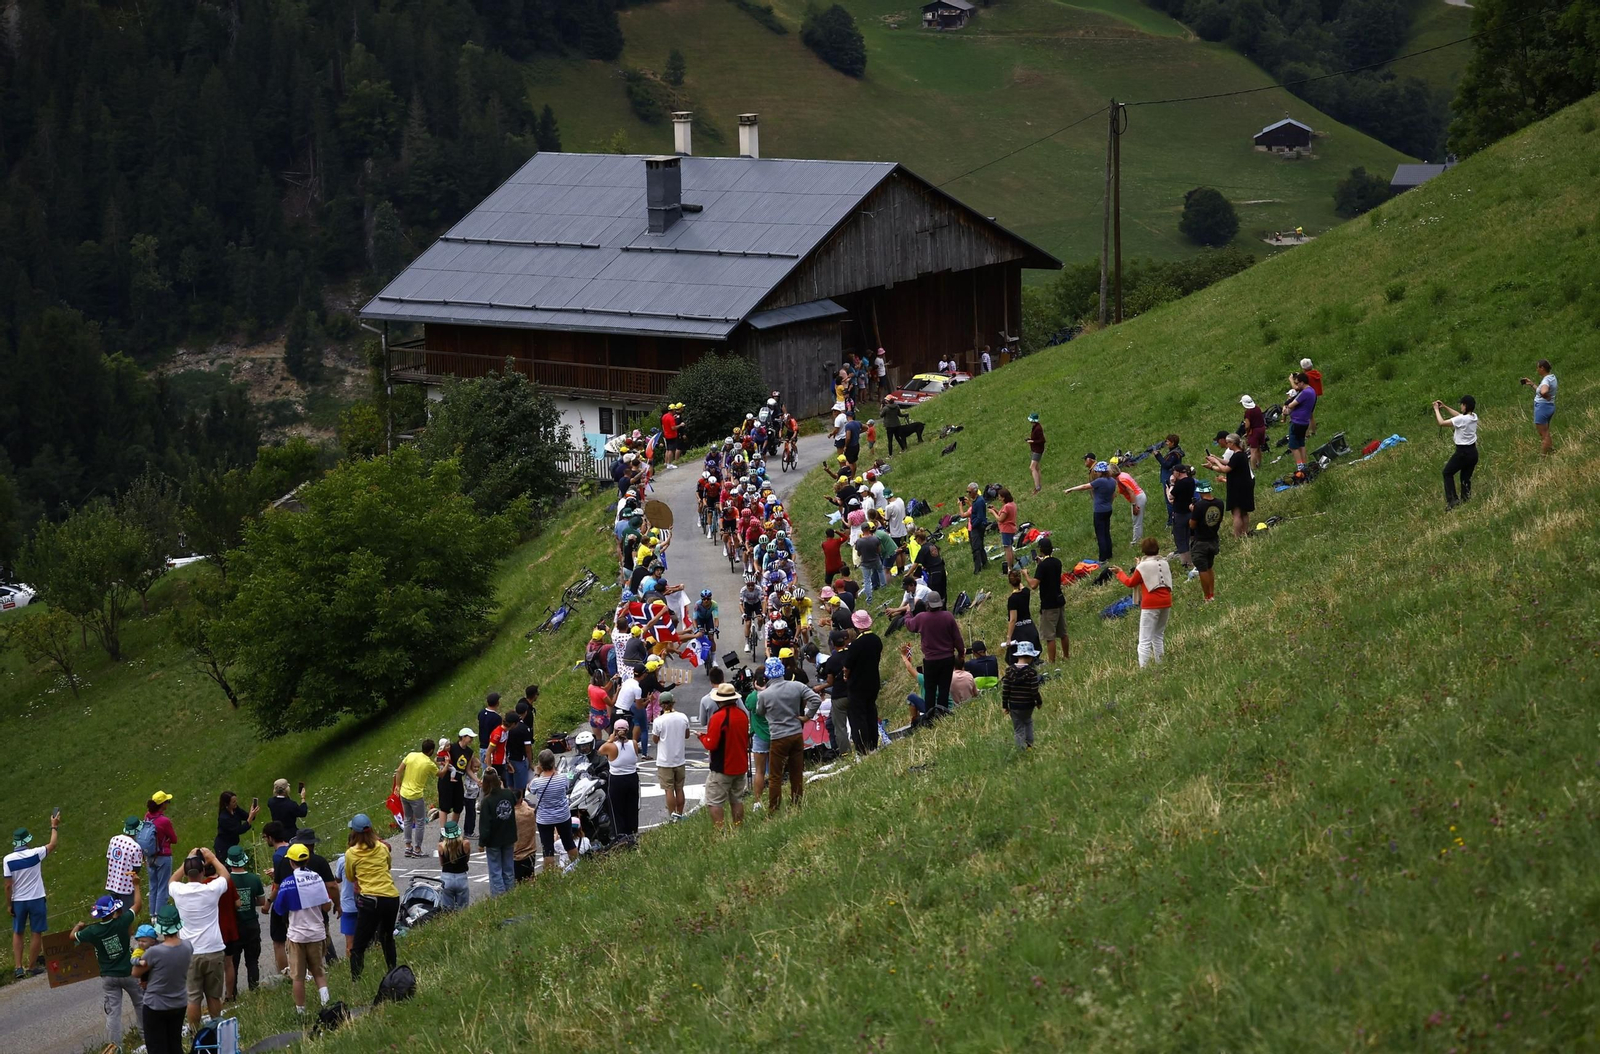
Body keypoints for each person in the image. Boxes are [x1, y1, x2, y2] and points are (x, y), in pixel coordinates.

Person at [73, 887, 143, 1051]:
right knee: (140, 1003)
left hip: (108, 977)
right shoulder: (122, 921)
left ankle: (116, 1046)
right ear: (114, 911)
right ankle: (145, 1035)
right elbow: (138, 905)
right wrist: (137, 885)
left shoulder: (93, 931)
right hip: (128, 972)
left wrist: (78, 925)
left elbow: (72, 937)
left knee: (114, 1013)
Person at [167, 847, 227, 1032]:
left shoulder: (179, 891)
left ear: (186, 874)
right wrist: (212, 858)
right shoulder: (211, 890)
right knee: (213, 996)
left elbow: (171, 880)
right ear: (202, 872)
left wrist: (187, 858)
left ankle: (194, 1032)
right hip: (213, 949)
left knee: (193, 997)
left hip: (189, 952)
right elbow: (225, 875)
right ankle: (216, 1030)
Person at [270, 843, 334, 1015]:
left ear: (291, 862)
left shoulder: (288, 883)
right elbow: (327, 906)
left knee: (297, 976)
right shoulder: (317, 878)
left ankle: (301, 1012)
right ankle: (326, 1005)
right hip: (317, 932)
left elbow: (279, 909)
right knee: (319, 972)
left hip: (297, 935)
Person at [755, 657, 822, 813]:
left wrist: (761, 692)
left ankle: (774, 809)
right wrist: (807, 716)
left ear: (767, 674)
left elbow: (759, 711)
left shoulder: (765, 695)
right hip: (796, 734)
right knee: (796, 772)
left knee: (775, 776)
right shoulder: (796, 686)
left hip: (778, 737)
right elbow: (815, 699)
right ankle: (797, 804)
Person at [343, 813, 399, 979]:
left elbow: (351, 877)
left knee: (359, 945)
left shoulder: (351, 853)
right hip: (391, 897)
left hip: (370, 900)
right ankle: (393, 971)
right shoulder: (382, 847)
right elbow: (388, 866)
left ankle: (356, 980)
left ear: (354, 832)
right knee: (387, 938)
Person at [133, 906, 191, 1054]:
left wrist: (137, 956)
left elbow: (135, 972)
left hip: (155, 1005)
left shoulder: (154, 952)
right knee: (174, 1045)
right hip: (179, 1002)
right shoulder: (187, 946)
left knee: (157, 1048)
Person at [6, 817, 58, 979]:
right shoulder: (36, 853)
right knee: (36, 932)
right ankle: (32, 966)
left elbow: (8, 885)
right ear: (27, 841)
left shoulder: (7, 860)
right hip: (36, 898)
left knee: (18, 932)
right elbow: (53, 844)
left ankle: (18, 967)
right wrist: (54, 827)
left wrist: (9, 904)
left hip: (19, 900)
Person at [1111, 538, 1175, 668]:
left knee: (1144, 640)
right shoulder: (1164, 562)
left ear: (1143, 550)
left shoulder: (1142, 566)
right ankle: (1160, 663)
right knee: (1158, 636)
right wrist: (1140, 564)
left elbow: (1131, 582)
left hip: (1151, 603)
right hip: (1166, 601)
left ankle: (1143, 668)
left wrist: (1120, 573)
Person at [905, 593, 963, 721]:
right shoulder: (948, 616)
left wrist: (908, 612)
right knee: (944, 688)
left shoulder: (922, 618)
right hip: (948, 658)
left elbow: (909, 625)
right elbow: (957, 638)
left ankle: (930, 717)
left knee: (930, 689)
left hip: (931, 660)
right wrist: (961, 653)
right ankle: (942, 714)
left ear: (928, 605)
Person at [526, 750, 579, 872]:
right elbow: (566, 787)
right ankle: (576, 866)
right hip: (562, 816)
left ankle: (550, 875)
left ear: (540, 764)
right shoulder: (562, 778)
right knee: (569, 843)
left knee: (547, 848)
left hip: (545, 819)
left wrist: (536, 774)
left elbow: (530, 788)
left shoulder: (537, 782)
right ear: (553, 762)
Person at [223, 847, 264, 998]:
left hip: (234, 927)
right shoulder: (254, 879)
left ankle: (232, 994)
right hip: (252, 924)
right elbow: (261, 901)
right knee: (252, 961)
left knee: (232, 963)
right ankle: (254, 991)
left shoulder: (226, 881)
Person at [842, 610, 882, 755]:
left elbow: (847, 667)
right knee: (871, 711)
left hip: (858, 684)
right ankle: (873, 744)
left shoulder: (856, 644)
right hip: (873, 681)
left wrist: (846, 676)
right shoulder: (876, 640)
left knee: (859, 716)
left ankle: (862, 747)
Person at [1064, 461, 1118, 566]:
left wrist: (1071, 489)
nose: (1096, 473)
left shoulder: (1100, 481)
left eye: (1097, 471)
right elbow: (1112, 495)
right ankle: (1109, 554)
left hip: (1099, 511)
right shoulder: (1112, 481)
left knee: (1100, 534)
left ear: (1100, 472)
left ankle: (1103, 559)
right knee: (1106, 532)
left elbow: (1085, 486)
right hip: (1108, 509)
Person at [393, 739, 438, 859]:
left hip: (404, 793)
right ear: (431, 750)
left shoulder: (411, 755)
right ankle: (417, 849)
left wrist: (397, 785)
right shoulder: (429, 763)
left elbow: (398, 771)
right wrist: (447, 764)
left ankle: (408, 847)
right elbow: (440, 774)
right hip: (416, 796)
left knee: (407, 819)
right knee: (420, 822)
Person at [652, 692, 692, 822]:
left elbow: (655, 739)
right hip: (679, 759)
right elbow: (687, 735)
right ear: (673, 703)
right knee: (679, 788)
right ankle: (680, 814)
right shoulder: (683, 717)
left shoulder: (659, 721)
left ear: (661, 705)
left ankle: (672, 815)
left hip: (665, 761)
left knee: (668, 789)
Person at [599, 719, 641, 843]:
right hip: (632, 778)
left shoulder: (610, 746)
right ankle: (632, 834)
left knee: (616, 810)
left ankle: (620, 837)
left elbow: (600, 751)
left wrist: (610, 739)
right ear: (627, 730)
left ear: (615, 731)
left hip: (617, 780)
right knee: (632, 808)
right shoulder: (633, 743)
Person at [476, 771, 518, 895]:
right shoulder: (508, 793)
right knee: (508, 869)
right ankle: (510, 894)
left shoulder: (487, 801)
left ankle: (499, 898)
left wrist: (481, 843)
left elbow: (485, 825)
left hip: (494, 840)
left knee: (495, 871)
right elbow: (515, 802)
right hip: (509, 836)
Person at [1433, 395, 1479, 508]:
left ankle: (1452, 500)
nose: (1460, 406)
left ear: (1465, 405)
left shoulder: (1462, 419)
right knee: (1465, 477)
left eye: (1462, 404)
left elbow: (1441, 423)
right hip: (1473, 452)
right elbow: (1459, 416)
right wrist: (1445, 407)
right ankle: (1466, 498)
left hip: (1462, 453)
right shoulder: (1473, 417)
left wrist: (1436, 409)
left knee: (1447, 473)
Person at [1206, 434, 1254, 540]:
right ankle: (1245, 533)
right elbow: (1229, 463)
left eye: (1228, 442)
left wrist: (1215, 461)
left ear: (1232, 443)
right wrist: (1215, 459)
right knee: (1244, 511)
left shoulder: (1237, 455)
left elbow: (1225, 469)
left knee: (1236, 512)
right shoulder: (1241, 454)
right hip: (1245, 485)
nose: (1226, 444)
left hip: (1237, 487)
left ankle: (1237, 536)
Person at [1029, 537, 1069, 664]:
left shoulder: (1042, 566)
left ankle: (1052, 661)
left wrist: (1026, 575)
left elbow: (1034, 585)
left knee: (1049, 636)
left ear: (1041, 550)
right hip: (1059, 599)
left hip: (1048, 603)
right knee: (1063, 632)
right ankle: (1066, 656)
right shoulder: (1057, 562)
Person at [1001, 641, 1043, 749]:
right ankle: (1030, 745)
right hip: (1028, 705)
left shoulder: (1009, 671)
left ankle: (1020, 749)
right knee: (1028, 722)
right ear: (1030, 657)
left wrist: (1005, 705)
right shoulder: (1031, 672)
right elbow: (1034, 690)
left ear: (1018, 655)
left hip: (1014, 705)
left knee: (1018, 728)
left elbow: (1005, 690)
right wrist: (1039, 702)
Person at [1189, 481, 1225, 602]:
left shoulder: (1199, 506)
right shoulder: (1220, 503)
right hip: (1213, 538)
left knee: (1202, 568)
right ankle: (1212, 593)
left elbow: (1192, 525)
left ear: (1200, 492)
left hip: (1200, 541)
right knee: (1209, 567)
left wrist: (1192, 511)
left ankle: (1207, 596)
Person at [144, 791, 178, 915]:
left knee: (153, 887)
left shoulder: (147, 816)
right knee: (163, 887)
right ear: (162, 804)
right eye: (167, 801)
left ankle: (152, 914)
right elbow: (174, 839)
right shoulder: (164, 821)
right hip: (163, 856)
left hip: (150, 856)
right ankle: (160, 915)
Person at [439, 728, 477, 829]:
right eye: (470, 737)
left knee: (458, 806)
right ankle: (443, 832)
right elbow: (439, 757)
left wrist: (478, 781)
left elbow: (468, 769)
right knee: (445, 806)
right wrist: (443, 764)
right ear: (463, 737)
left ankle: (452, 829)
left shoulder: (469, 752)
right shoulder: (451, 747)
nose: (472, 739)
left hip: (458, 780)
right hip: (446, 779)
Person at [105, 815, 145, 906]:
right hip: (126, 887)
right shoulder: (135, 847)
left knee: (114, 911)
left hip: (112, 883)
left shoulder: (113, 839)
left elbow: (108, 859)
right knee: (126, 914)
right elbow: (136, 869)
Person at [1521, 359, 1557, 454]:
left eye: (1538, 367)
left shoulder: (1545, 381)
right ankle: (1550, 450)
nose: (1537, 369)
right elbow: (1542, 390)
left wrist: (1546, 396)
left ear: (1542, 368)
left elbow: (1543, 391)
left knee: (1544, 434)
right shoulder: (1552, 378)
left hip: (1542, 408)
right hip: (1549, 407)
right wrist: (1532, 384)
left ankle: (1544, 457)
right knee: (1546, 431)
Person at [1167, 464, 1197, 576]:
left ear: (1178, 472)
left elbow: (1170, 496)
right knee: (1188, 536)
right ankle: (1191, 559)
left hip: (1180, 514)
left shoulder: (1180, 483)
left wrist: (1172, 483)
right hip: (1189, 512)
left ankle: (1186, 562)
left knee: (1180, 539)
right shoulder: (1191, 481)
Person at [1285, 372, 1318, 473]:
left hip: (1297, 421)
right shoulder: (1312, 391)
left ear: (1302, 383)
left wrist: (1287, 404)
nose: (1296, 385)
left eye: (1297, 383)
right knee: (1301, 444)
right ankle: (1304, 463)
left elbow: (1292, 405)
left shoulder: (1305, 393)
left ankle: (1300, 465)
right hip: (1305, 421)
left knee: (1293, 446)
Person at [1111, 460, 1148, 546]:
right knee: (1137, 520)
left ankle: (1136, 542)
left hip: (1137, 498)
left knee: (1136, 521)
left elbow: (1131, 491)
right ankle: (1137, 539)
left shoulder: (1120, 479)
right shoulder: (1123, 474)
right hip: (1139, 495)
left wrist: (1134, 505)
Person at [436, 822, 471, 910]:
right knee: (463, 909)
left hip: (446, 878)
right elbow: (467, 859)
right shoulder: (465, 844)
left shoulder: (441, 846)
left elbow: (441, 863)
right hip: (461, 878)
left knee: (447, 910)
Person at [213, 791, 258, 859]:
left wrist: (252, 812)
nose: (236, 803)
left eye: (236, 800)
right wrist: (250, 818)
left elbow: (248, 817)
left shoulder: (235, 809)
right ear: (227, 804)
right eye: (233, 802)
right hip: (224, 847)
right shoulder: (224, 818)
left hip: (233, 843)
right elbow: (239, 830)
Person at [960, 482, 989, 574]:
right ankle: (985, 562)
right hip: (977, 526)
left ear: (975, 491)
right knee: (980, 545)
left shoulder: (979, 502)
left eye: (969, 492)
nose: (968, 494)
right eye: (967, 492)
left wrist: (973, 523)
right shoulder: (976, 501)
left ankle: (977, 568)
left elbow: (980, 517)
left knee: (976, 547)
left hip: (977, 527)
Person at [1156, 434, 1185, 522]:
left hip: (1170, 478)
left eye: (1168, 441)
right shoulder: (1175, 451)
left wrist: (1158, 455)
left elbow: (1166, 464)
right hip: (1169, 477)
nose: (1166, 443)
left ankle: (1172, 520)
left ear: (1173, 443)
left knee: (1170, 499)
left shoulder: (1174, 454)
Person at [504, 710, 535, 790]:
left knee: (510, 784)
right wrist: (530, 762)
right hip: (519, 760)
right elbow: (528, 748)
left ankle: (512, 800)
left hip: (507, 760)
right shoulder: (523, 728)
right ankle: (520, 800)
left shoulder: (503, 730)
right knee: (520, 786)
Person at [995, 487, 1019, 574]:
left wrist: (993, 513)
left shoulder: (1006, 506)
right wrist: (995, 510)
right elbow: (1004, 516)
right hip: (1012, 528)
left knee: (1007, 548)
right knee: (1010, 548)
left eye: (999, 496)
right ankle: (1012, 565)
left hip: (1006, 529)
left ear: (1003, 497)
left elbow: (1000, 519)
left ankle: (1009, 567)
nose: (999, 498)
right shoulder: (1012, 504)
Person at [477, 692, 503, 767]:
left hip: (482, 748)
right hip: (490, 749)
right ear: (497, 703)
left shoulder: (481, 713)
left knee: (485, 772)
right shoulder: (496, 718)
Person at [1239, 396, 1266, 469]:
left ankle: (1253, 467)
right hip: (1262, 429)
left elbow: (1247, 425)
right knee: (1258, 448)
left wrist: (1247, 433)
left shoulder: (1248, 412)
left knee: (1253, 450)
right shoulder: (1257, 408)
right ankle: (1259, 463)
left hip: (1254, 431)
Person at [1027, 413, 1046, 494]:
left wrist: (1032, 441)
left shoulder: (1038, 428)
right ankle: (1039, 485)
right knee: (1037, 468)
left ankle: (1037, 487)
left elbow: (1042, 440)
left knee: (1032, 467)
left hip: (1038, 450)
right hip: (1035, 449)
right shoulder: (1035, 427)